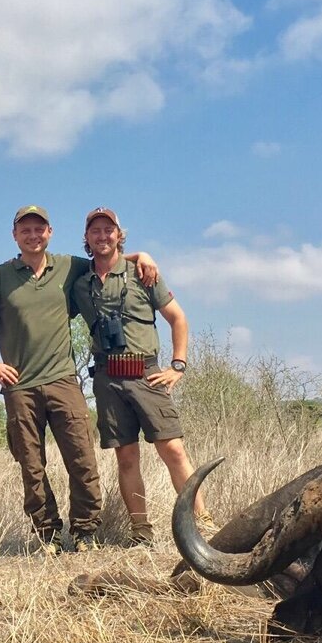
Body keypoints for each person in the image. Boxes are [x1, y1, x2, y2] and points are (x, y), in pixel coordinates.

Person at [0, 205, 158, 553]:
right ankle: (48, 534)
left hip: (63, 380)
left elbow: (107, 257)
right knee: (32, 466)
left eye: (39, 229)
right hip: (19, 386)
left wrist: (142, 255)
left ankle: (85, 531)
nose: (33, 235)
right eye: (26, 230)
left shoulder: (68, 267)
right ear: (15, 235)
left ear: (50, 232)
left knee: (82, 458)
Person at [69, 207, 214, 548]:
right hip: (107, 378)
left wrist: (178, 365)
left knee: (173, 450)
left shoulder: (143, 272)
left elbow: (178, 319)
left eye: (109, 230)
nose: (102, 236)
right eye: (95, 231)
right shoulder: (78, 284)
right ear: (87, 239)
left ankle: (203, 524)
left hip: (147, 373)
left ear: (119, 235)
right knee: (126, 457)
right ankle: (141, 534)